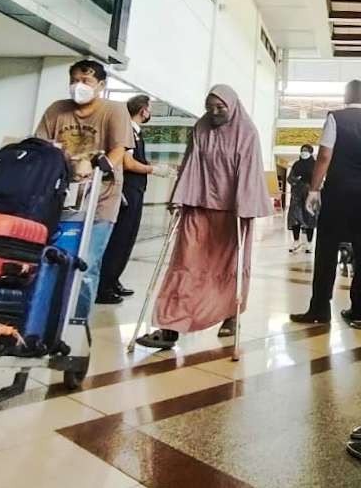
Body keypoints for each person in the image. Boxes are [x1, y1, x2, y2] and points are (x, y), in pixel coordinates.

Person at [136, 85, 272, 348]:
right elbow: (190, 162)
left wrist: (245, 206)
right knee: (186, 263)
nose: (215, 113)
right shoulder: (201, 127)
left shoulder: (247, 132)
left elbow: (249, 171)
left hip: (232, 211)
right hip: (198, 205)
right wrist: (180, 197)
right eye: (210, 108)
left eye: (220, 108)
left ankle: (230, 315)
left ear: (233, 106)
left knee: (229, 267)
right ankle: (170, 326)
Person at [34, 59, 132, 319]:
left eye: (86, 81)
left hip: (100, 198)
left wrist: (96, 166)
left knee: (86, 262)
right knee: (51, 257)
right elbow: (41, 145)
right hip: (60, 196)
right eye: (74, 80)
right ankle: (45, 317)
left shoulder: (114, 110)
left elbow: (119, 150)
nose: (79, 86)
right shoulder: (57, 110)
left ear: (100, 85)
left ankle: (77, 321)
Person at [290, 80, 361, 325]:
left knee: (326, 250)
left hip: (336, 192)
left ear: (346, 95)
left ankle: (320, 309)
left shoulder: (335, 117)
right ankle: (359, 308)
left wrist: (314, 190)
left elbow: (324, 155)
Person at [98, 95, 171, 304]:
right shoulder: (127, 130)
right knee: (119, 238)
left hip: (136, 189)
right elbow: (128, 163)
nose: (150, 113)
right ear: (142, 110)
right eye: (149, 109)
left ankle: (113, 280)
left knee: (128, 238)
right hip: (126, 190)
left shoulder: (137, 133)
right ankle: (104, 286)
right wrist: (154, 169)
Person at [286, 144, 316, 254]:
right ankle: (296, 241)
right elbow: (289, 178)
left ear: (311, 152)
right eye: (302, 150)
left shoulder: (315, 164)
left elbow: (319, 179)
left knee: (309, 218)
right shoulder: (296, 164)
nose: (304, 152)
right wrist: (296, 180)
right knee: (295, 218)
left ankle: (309, 243)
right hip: (297, 196)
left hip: (310, 195)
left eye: (306, 150)